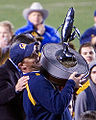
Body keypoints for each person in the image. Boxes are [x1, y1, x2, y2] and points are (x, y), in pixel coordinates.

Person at [12, 43, 84, 120]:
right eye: (31, 56)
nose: (37, 55)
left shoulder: (33, 76)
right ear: (22, 66)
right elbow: (58, 106)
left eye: (35, 51)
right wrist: (71, 83)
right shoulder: (36, 82)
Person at [0, 42, 36, 120]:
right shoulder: (3, 71)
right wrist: (15, 89)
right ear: (20, 64)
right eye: (31, 56)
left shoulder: (17, 69)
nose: (36, 56)